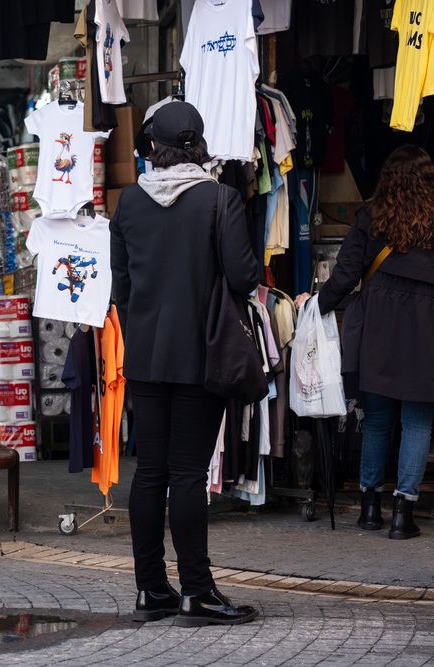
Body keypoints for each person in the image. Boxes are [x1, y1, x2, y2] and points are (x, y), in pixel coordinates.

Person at [110, 102, 260, 627]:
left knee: (150, 473)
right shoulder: (221, 200)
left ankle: (152, 591)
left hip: (146, 356)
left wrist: (142, 333)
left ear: (154, 147)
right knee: (189, 474)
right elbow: (244, 278)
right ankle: (198, 592)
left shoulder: (128, 203)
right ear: (197, 144)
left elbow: (120, 288)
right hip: (204, 354)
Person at [295, 145, 434, 540]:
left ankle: (369, 507)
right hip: (425, 328)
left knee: (376, 420)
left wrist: (316, 306)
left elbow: (346, 273)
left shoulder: (371, 215)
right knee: (418, 422)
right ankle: (402, 514)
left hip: (377, 325)